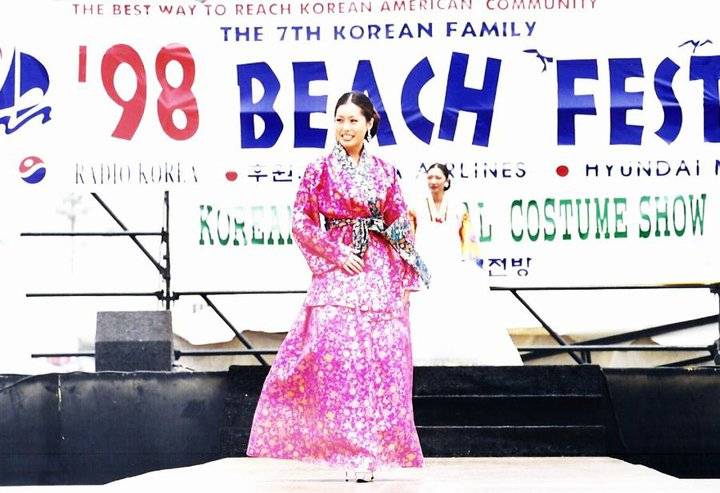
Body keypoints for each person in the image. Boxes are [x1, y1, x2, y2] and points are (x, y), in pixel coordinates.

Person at [246, 91, 429, 482]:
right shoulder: (319, 170)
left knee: (381, 363)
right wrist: (334, 252)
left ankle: (371, 451)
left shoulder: (385, 170)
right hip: (341, 268)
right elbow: (302, 221)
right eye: (339, 120)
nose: (345, 128)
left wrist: (407, 276)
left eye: (353, 120)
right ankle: (348, 449)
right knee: (336, 359)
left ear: (369, 124)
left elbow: (398, 224)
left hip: (379, 270)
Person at [408, 163, 523, 366]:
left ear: (446, 180)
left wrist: (470, 266)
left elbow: (469, 241)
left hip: (452, 265)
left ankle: (458, 357)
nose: (433, 182)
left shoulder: (459, 208)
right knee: (425, 312)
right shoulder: (415, 207)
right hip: (424, 265)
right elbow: (409, 239)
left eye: (437, 177)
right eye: (430, 177)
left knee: (456, 310)